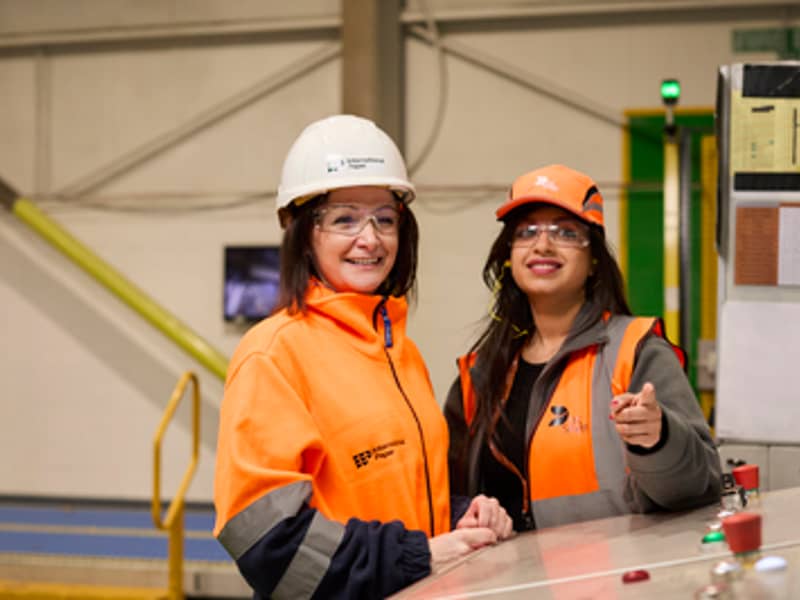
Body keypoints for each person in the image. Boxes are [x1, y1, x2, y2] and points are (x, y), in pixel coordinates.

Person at [213, 115, 512, 599]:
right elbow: (267, 542)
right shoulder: (273, 353)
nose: (370, 239)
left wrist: (459, 515)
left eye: (385, 219)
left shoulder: (401, 353)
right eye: (344, 219)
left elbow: (393, 497)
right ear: (303, 233)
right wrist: (416, 557)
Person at [445, 164, 722, 533]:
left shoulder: (636, 351)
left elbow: (699, 487)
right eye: (526, 232)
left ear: (593, 260)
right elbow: (448, 495)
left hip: (620, 567)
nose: (542, 245)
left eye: (566, 232)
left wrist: (659, 440)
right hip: (506, 569)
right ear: (509, 256)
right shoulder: (479, 374)